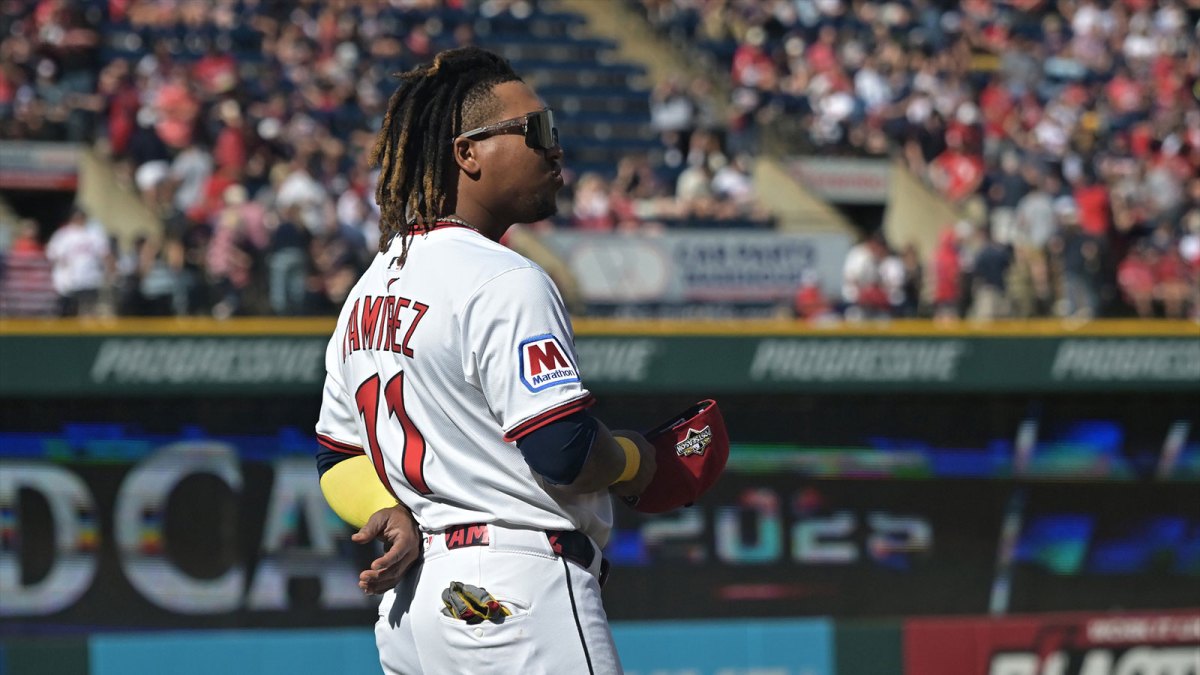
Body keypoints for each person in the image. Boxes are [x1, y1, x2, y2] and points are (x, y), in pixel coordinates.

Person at [313, 47, 656, 675]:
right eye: (537, 132)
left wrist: (381, 510)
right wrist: (638, 459)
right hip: (512, 587)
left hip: (414, 608)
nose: (555, 149)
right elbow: (564, 450)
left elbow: (338, 456)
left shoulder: (367, 289)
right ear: (467, 153)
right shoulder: (503, 278)